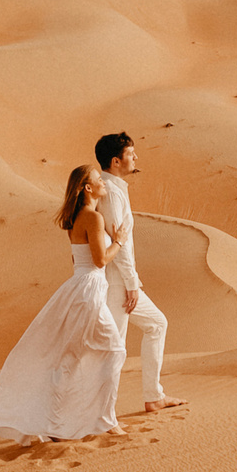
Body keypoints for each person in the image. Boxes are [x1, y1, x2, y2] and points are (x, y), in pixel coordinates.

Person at [0, 165, 126, 444]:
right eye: (99, 180)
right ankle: (105, 420)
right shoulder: (93, 218)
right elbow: (99, 260)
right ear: (88, 188)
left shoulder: (76, 218)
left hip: (79, 287)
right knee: (112, 349)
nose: (103, 183)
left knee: (70, 358)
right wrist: (118, 241)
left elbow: (78, 260)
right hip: (89, 290)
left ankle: (60, 422)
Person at [95, 131, 184, 411]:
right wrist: (132, 282)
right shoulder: (110, 194)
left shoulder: (116, 189)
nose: (136, 158)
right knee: (114, 348)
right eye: (131, 154)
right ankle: (100, 413)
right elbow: (115, 242)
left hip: (122, 281)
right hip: (116, 282)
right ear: (115, 161)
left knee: (156, 324)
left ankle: (153, 396)